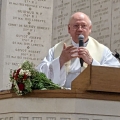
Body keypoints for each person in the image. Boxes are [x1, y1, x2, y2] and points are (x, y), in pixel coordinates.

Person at [36, 12, 120, 88]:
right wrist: (61, 60)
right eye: (76, 26)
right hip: (62, 96)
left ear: (90, 29)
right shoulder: (56, 49)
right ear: (69, 29)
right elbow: (40, 72)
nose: (80, 29)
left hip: (90, 97)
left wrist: (91, 62)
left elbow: (114, 73)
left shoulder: (102, 51)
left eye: (83, 26)